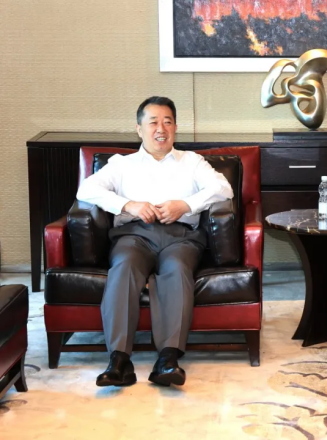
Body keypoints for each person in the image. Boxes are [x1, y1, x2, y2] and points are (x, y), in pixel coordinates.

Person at [77, 96, 234, 387]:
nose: (161, 129)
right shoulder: (121, 164)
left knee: (177, 269)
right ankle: (119, 361)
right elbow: (86, 189)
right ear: (139, 129)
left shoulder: (192, 161)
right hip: (134, 236)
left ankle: (168, 359)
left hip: (181, 237)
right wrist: (129, 205)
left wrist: (185, 205)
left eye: (167, 122)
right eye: (153, 122)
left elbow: (223, 188)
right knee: (124, 268)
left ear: (175, 128)